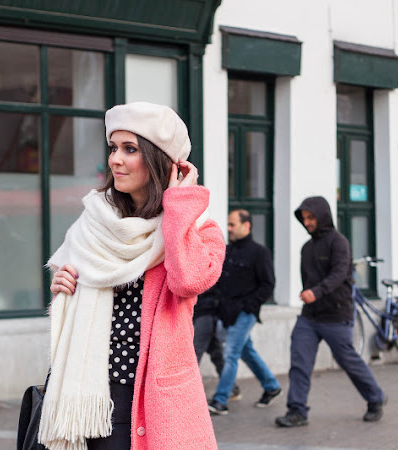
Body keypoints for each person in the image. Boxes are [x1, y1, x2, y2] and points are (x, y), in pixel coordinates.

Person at [39, 101, 226, 450]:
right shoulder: (95, 221)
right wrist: (63, 289)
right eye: (113, 148)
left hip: (148, 398)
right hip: (88, 394)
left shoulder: (197, 230)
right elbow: (74, 304)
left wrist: (180, 204)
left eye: (130, 149)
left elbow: (186, 280)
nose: (115, 160)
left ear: (159, 160)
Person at [275, 196, 386, 428]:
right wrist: (310, 296)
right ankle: (297, 411)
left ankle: (375, 399)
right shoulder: (306, 248)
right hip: (309, 317)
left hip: (336, 316)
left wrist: (317, 292)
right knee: (300, 363)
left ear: (322, 215)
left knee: (349, 361)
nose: (307, 223)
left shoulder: (339, 243)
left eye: (311, 217)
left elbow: (339, 275)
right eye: (304, 219)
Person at [207, 210, 282, 416]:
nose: (229, 229)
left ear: (246, 226)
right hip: (227, 312)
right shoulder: (228, 251)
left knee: (230, 352)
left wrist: (251, 305)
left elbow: (268, 284)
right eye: (228, 225)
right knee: (246, 351)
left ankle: (221, 399)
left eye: (233, 225)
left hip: (245, 312)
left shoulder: (260, 253)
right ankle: (271, 386)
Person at [193, 288, 242, 400]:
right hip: (203, 311)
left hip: (206, 312)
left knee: (195, 353)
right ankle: (232, 388)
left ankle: (186, 391)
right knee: (217, 353)